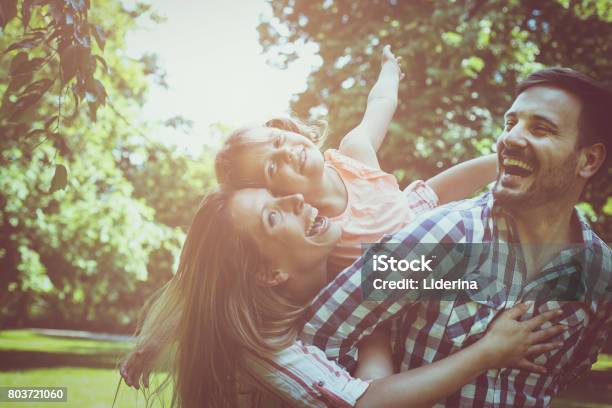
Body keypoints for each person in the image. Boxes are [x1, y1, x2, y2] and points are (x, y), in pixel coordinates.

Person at [125, 44, 500, 383]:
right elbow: (199, 283)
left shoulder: (354, 154)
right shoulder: (314, 227)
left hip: (414, 220)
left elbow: (381, 104)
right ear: (275, 196)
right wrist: (151, 344)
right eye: (273, 167)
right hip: (383, 307)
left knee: (432, 192)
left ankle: (505, 161)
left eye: (277, 140)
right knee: (376, 363)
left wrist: (389, 70)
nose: (287, 151)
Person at [300, 67, 612, 407]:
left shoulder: (600, 274)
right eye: (510, 124)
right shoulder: (444, 237)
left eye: (541, 128)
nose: (509, 139)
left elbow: (566, 373)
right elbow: (320, 339)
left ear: (589, 160)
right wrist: (373, 385)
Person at [122, 185, 563, 408]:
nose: (296, 197)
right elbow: (367, 403)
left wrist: (508, 165)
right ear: (270, 273)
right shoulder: (264, 350)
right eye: (274, 215)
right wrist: (490, 351)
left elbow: (424, 192)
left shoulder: (349, 249)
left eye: (279, 194)